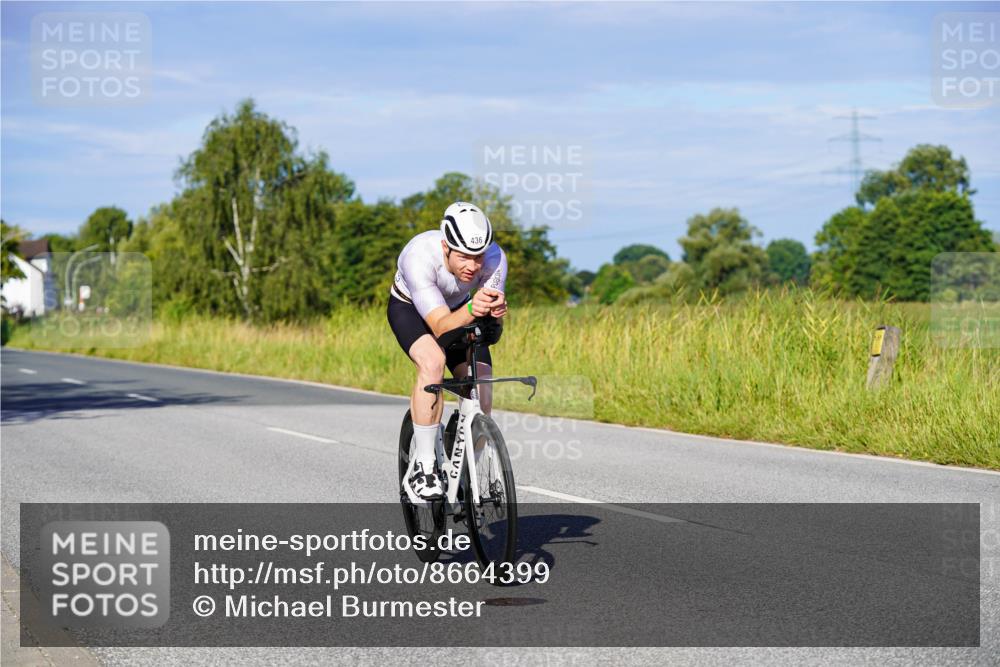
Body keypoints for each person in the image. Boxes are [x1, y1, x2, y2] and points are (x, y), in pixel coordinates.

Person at [386, 202, 508, 500]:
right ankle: (424, 469)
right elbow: (440, 327)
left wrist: (495, 313)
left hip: (459, 310)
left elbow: (489, 318)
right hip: (411, 310)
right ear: (446, 247)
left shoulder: (495, 258)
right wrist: (472, 308)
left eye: (478, 256)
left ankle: (467, 472)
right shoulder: (418, 256)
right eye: (464, 256)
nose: (473, 266)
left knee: (483, 384)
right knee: (433, 361)